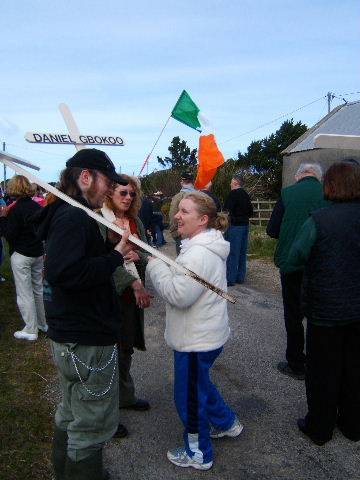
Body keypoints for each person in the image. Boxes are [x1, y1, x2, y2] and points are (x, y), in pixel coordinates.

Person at [35, 148, 129, 480]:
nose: (111, 189)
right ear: (86, 177)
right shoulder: (73, 216)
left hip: (71, 335)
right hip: (85, 338)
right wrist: (115, 256)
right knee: (90, 425)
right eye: (108, 181)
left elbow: (75, 262)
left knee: (71, 413)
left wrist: (108, 250)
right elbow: (67, 273)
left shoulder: (69, 213)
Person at [146, 191, 243, 470]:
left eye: (184, 211)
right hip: (207, 335)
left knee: (188, 396)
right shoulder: (203, 245)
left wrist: (154, 266)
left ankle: (199, 454)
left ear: (202, 220)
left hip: (195, 340)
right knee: (199, 384)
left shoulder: (198, 253)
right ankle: (226, 423)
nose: (176, 215)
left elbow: (178, 295)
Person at [284, 162, 360, 445]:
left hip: (326, 309)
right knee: (354, 367)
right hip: (357, 309)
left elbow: (295, 257)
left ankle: (320, 427)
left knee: (322, 371)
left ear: (330, 185)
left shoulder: (318, 220)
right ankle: (353, 425)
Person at [98, 175, 152, 438]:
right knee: (110, 355)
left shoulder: (135, 221)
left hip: (130, 300)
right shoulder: (100, 220)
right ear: (110, 193)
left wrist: (137, 255)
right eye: (123, 192)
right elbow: (100, 262)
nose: (128, 197)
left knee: (126, 349)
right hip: (110, 297)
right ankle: (108, 418)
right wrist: (132, 282)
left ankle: (126, 397)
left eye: (132, 193)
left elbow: (147, 252)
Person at [267, 163, 328, 380]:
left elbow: (272, 229)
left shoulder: (287, 193)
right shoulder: (328, 192)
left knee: (293, 314)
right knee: (318, 313)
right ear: (318, 178)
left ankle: (296, 362)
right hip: (321, 264)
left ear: (298, 176)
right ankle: (318, 362)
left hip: (292, 262)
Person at [0, 175, 47, 340]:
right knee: (37, 290)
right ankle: (42, 324)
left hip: (21, 254)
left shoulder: (15, 209)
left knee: (24, 293)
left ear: (13, 189)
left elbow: (9, 235)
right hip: (37, 252)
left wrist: (3, 218)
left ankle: (30, 329)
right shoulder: (36, 206)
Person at [224, 173, 253, 286]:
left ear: (236, 182)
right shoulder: (246, 194)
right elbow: (251, 212)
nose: (230, 183)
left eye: (231, 181)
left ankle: (230, 279)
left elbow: (227, 210)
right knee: (242, 252)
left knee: (232, 253)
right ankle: (240, 277)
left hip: (235, 226)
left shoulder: (233, 194)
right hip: (245, 226)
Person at [168, 172, 195, 255]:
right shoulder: (200, 195)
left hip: (183, 233)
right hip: (196, 232)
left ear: (182, 182)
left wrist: (174, 231)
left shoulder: (178, 197)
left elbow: (173, 215)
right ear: (192, 181)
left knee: (182, 260)